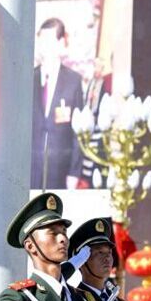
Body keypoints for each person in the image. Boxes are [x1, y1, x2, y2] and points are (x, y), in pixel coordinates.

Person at [31, 18, 85, 190]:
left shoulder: (73, 81)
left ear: (61, 43)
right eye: (41, 41)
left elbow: (79, 133)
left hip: (60, 173)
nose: (43, 47)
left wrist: (74, 173)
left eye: (49, 41)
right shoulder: (28, 78)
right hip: (30, 170)